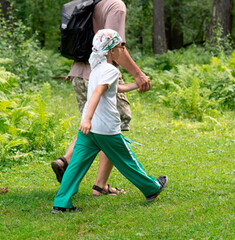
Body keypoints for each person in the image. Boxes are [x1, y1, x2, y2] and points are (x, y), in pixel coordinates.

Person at [52, 29, 167, 213]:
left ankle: (61, 203)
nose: (123, 49)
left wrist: (137, 85)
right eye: (121, 45)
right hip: (105, 130)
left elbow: (116, 88)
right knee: (127, 161)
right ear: (110, 51)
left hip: (88, 131)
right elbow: (98, 92)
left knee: (75, 166)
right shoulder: (110, 70)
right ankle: (152, 188)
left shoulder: (97, 69)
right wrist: (88, 119)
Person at [51, 0, 151, 196]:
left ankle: (66, 162)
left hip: (80, 74)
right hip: (104, 75)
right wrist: (138, 75)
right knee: (114, 128)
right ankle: (101, 185)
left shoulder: (89, 2)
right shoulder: (116, 5)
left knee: (92, 127)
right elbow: (116, 48)